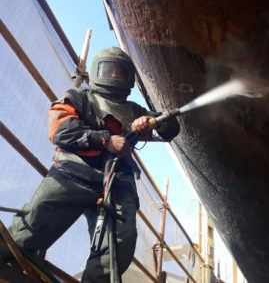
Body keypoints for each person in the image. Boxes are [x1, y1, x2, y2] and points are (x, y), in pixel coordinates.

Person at [1, 47, 180, 282]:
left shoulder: (135, 111)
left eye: (120, 72)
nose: (115, 76)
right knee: (29, 231)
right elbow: (59, 130)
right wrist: (105, 140)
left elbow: (172, 129)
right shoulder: (80, 97)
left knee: (118, 249)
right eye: (110, 71)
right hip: (72, 176)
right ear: (98, 72)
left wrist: (152, 123)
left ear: (129, 78)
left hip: (117, 185)